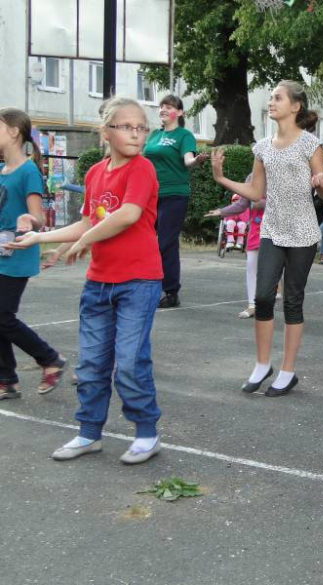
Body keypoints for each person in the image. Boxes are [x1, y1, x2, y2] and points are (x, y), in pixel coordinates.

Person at [6, 97, 164, 464]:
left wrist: (83, 241)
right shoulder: (95, 173)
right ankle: (89, 433)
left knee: (128, 363)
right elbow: (92, 221)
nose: (136, 133)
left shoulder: (141, 170)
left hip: (138, 281)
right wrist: (43, 239)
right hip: (99, 284)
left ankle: (145, 433)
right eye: (126, 126)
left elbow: (126, 215)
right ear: (105, 131)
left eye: (142, 127)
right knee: (91, 365)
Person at [210, 80, 323, 397]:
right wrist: (222, 178)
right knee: (263, 297)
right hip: (272, 230)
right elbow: (255, 192)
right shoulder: (261, 147)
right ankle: (263, 364)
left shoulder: (310, 144)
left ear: (295, 106)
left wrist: (321, 183)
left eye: (278, 97)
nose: (271, 101)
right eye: (271, 97)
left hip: (303, 232)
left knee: (292, 300)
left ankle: (287, 371)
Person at [0, 108, 67, 400]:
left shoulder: (28, 171)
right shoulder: (2, 171)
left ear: (14, 131)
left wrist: (29, 221)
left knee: (2, 316)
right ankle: (7, 379)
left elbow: (38, 217)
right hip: (1, 252)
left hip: (19, 253)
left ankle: (49, 358)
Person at [143, 94, 209, 309]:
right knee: (143, 241)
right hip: (149, 195)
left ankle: (171, 292)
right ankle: (144, 285)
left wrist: (196, 160)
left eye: (169, 107)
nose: (163, 109)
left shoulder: (184, 135)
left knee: (165, 243)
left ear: (179, 113)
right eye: (161, 106)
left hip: (174, 195)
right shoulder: (153, 135)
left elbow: (188, 158)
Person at [205, 173, 266, 319]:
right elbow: (242, 204)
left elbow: (282, 202)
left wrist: (261, 203)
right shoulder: (251, 177)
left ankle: (273, 295)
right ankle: (252, 305)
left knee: (272, 266)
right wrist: (222, 211)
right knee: (251, 266)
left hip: (273, 230)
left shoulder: (279, 172)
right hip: (255, 230)